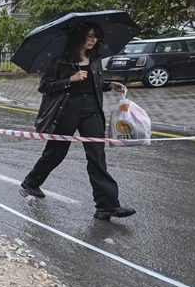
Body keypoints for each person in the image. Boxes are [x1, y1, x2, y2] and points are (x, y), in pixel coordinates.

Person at [20, 24, 136, 220]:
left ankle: (106, 206)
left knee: (97, 156)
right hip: (67, 110)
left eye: (96, 37)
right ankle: (32, 182)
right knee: (56, 151)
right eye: (89, 36)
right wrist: (70, 79)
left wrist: (110, 85)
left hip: (92, 110)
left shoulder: (95, 59)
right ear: (78, 37)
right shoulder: (61, 60)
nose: (93, 41)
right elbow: (45, 86)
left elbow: (94, 83)